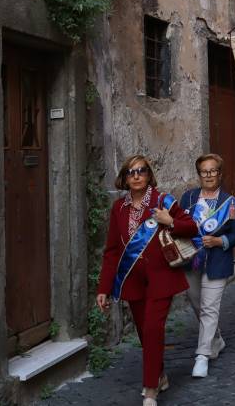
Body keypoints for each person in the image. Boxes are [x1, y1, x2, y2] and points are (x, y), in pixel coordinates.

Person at [96, 155, 197, 406]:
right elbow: (111, 252)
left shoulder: (163, 200)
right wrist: (104, 288)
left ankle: (150, 389)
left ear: (149, 175)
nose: (137, 176)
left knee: (153, 328)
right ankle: (160, 374)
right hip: (132, 279)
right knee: (145, 333)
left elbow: (192, 227)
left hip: (162, 277)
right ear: (125, 178)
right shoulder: (118, 208)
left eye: (141, 171)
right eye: (131, 172)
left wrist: (170, 221)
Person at [179, 154, 235, 378]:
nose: (208, 175)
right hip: (191, 261)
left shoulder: (230, 203)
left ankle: (202, 356)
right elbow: (179, 226)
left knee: (210, 307)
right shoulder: (187, 199)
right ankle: (216, 339)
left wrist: (220, 241)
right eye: (204, 171)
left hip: (217, 261)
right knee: (198, 304)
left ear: (220, 173)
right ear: (199, 175)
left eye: (212, 171)